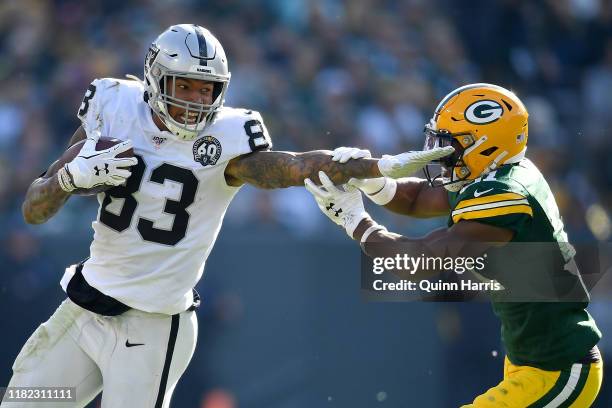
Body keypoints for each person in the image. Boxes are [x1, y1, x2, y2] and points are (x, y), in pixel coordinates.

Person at [2, 24, 452, 408]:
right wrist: (67, 180)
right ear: (156, 78)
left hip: (154, 324)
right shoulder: (114, 106)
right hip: (85, 306)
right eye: (186, 86)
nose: (198, 100)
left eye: (208, 88)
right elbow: (34, 209)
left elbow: (289, 166)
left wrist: (361, 165)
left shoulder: (228, 136)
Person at [305, 83, 603, 407]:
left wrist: (357, 224)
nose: (442, 155)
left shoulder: (504, 193)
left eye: (452, 145)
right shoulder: (502, 173)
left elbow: (421, 264)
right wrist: (373, 182)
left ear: (488, 146)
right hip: (532, 361)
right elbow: (419, 198)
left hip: (558, 368)